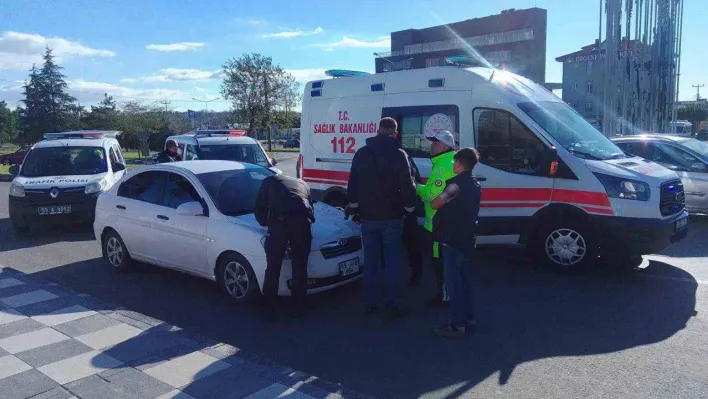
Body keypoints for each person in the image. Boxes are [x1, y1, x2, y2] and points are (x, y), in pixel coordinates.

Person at [346, 117, 418, 319]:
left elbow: (352, 184)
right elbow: (407, 184)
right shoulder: (399, 154)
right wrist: (410, 208)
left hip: (368, 216)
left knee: (371, 261)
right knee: (392, 260)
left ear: (377, 129)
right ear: (395, 133)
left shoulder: (361, 153)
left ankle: (370, 302)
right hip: (393, 216)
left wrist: (354, 207)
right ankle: (394, 303)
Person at [430, 147, 482, 338]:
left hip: (452, 239)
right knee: (465, 281)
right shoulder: (475, 184)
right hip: (467, 238)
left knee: (453, 284)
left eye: (454, 162)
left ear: (460, 164)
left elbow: (435, 203)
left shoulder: (455, 185)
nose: (453, 165)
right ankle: (469, 319)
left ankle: (456, 324)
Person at [254, 173, 315, 322]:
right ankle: (298, 307)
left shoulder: (268, 181)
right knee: (300, 266)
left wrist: (267, 224)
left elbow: (259, 208)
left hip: (281, 222)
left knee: (273, 266)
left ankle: (270, 308)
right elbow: (311, 209)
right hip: (303, 223)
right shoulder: (302, 183)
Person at [417, 130, 457, 307]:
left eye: (435, 142)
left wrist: (416, 187)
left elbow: (432, 195)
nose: (431, 145)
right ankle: (445, 294)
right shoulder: (445, 161)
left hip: (437, 223)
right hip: (440, 222)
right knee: (441, 260)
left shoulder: (444, 165)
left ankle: (445, 296)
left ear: (445, 146)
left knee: (439, 261)